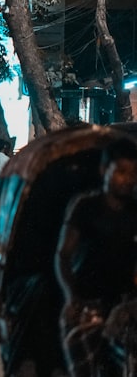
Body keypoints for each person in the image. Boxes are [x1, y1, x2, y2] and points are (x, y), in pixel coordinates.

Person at [55, 138, 137, 377]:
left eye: (134, 173)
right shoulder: (85, 206)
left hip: (126, 305)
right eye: (121, 171)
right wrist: (71, 296)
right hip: (87, 302)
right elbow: (63, 255)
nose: (129, 178)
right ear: (104, 170)